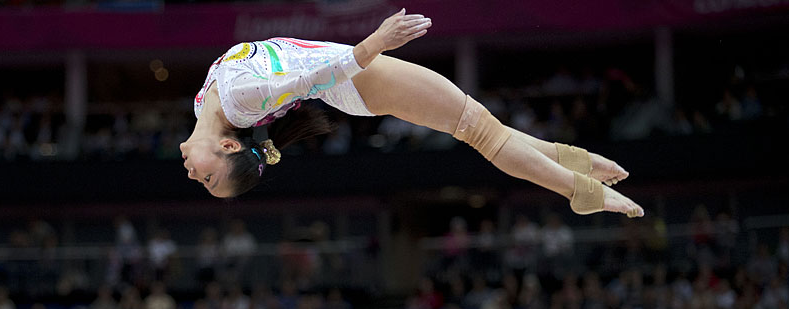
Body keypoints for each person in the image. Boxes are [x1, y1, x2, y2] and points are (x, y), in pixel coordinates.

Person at [181, 9, 644, 219]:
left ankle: (578, 162)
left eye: (206, 180)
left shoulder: (210, 105)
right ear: (227, 147)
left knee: (486, 129)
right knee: (483, 135)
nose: (193, 177)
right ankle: (580, 192)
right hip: (357, 77)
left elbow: (305, 84)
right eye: (208, 179)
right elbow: (309, 82)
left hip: (352, 83)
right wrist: (375, 44)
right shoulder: (239, 102)